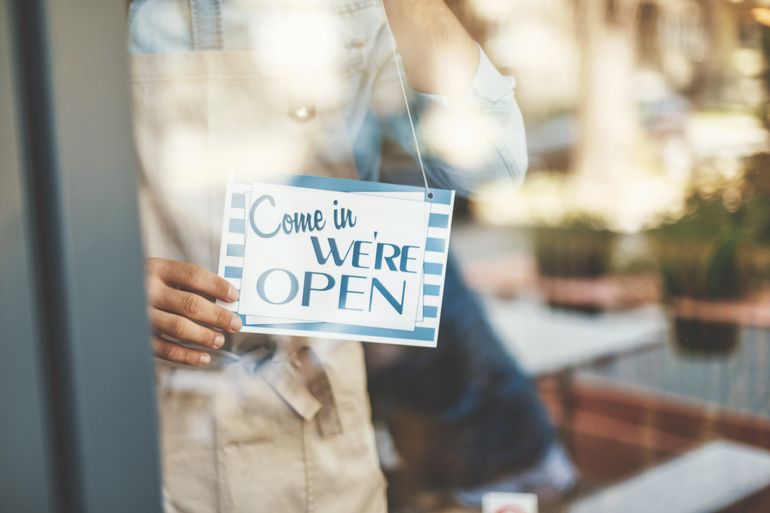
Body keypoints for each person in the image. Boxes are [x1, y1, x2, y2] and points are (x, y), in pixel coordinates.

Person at [128, 0, 528, 511]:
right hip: (148, 427)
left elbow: (492, 163)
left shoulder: (360, 9)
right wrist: (104, 276)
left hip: (321, 435)